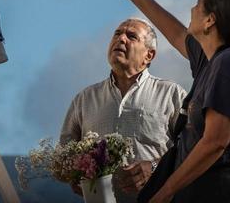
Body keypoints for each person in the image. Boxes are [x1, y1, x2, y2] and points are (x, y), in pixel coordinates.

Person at [104, 0, 230, 203]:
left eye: (198, 4)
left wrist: (164, 193)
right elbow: (177, 34)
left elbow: (215, 142)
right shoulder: (214, 62)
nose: (192, 9)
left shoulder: (229, 63)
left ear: (210, 21)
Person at [60, 18, 186, 203]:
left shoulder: (171, 94)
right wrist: (74, 172)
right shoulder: (84, 99)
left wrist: (153, 166)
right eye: (117, 34)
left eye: (131, 36)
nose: (121, 39)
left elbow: (192, 149)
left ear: (149, 55)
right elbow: (64, 153)